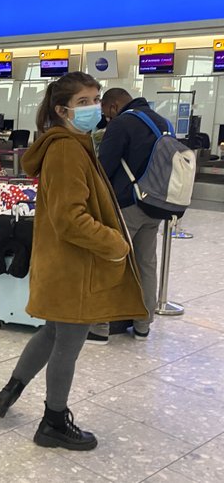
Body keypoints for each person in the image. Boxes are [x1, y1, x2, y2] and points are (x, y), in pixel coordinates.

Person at [0, 72, 147, 451]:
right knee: (68, 342)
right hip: (76, 266)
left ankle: (9, 391)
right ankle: (53, 422)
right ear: (62, 110)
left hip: (64, 263)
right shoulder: (67, 150)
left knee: (53, 332)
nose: (95, 108)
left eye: (96, 99)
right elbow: (70, 218)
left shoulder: (73, 143)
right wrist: (116, 243)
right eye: (84, 103)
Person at [87, 88, 164, 344]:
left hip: (126, 205)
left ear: (112, 106)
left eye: (105, 112)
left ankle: (99, 326)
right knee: (146, 263)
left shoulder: (122, 123)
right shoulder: (160, 121)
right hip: (155, 206)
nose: (106, 118)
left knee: (110, 259)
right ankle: (143, 325)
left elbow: (104, 168)